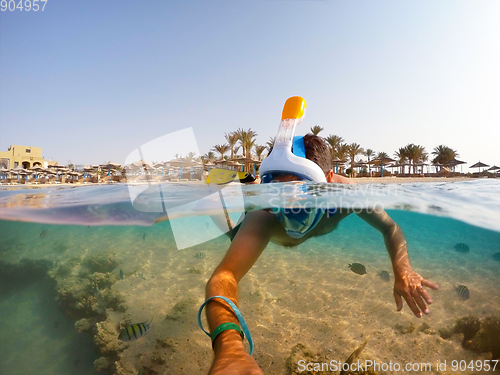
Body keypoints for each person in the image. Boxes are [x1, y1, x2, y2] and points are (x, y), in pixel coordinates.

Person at [199, 97, 439, 375]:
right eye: (273, 189)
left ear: (327, 178)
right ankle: (248, 182)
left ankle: (249, 179)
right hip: (253, 223)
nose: (284, 205)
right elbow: (224, 277)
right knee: (232, 228)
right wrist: (229, 347)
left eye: (300, 191)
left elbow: (391, 228)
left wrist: (403, 268)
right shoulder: (264, 213)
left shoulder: (347, 196)